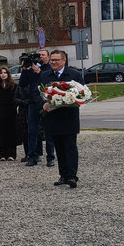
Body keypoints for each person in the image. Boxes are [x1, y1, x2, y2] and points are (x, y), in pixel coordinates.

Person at [41, 49, 83, 188]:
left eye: (56, 60)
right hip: (54, 117)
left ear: (63, 61)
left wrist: (70, 99)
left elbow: (82, 93)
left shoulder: (73, 75)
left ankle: (72, 176)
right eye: (52, 60)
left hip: (69, 117)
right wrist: (44, 104)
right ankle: (63, 175)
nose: (53, 62)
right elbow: (39, 92)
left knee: (70, 147)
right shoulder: (45, 75)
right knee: (58, 147)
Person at [0, 67, 19, 160]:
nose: (3, 74)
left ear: (8, 74)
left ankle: (12, 153)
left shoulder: (13, 86)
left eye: (5, 73)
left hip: (11, 111)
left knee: (11, 131)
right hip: (1, 110)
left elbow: (15, 99)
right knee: (2, 131)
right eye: (1, 73)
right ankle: (2, 153)